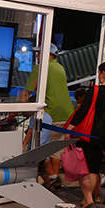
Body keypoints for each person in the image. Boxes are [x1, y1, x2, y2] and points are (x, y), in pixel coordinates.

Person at [19, 43, 74, 190]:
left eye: (39, 53)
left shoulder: (40, 68)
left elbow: (27, 92)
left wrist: (18, 108)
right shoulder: (60, 68)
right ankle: (54, 180)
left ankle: (39, 182)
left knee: (39, 151)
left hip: (50, 115)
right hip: (67, 115)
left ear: (45, 54)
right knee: (55, 151)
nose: (37, 55)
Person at [65, 60, 105, 208]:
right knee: (95, 169)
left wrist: (70, 128)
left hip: (91, 135)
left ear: (103, 73)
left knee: (85, 168)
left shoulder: (95, 91)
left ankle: (89, 200)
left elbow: (83, 110)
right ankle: (90, 199)